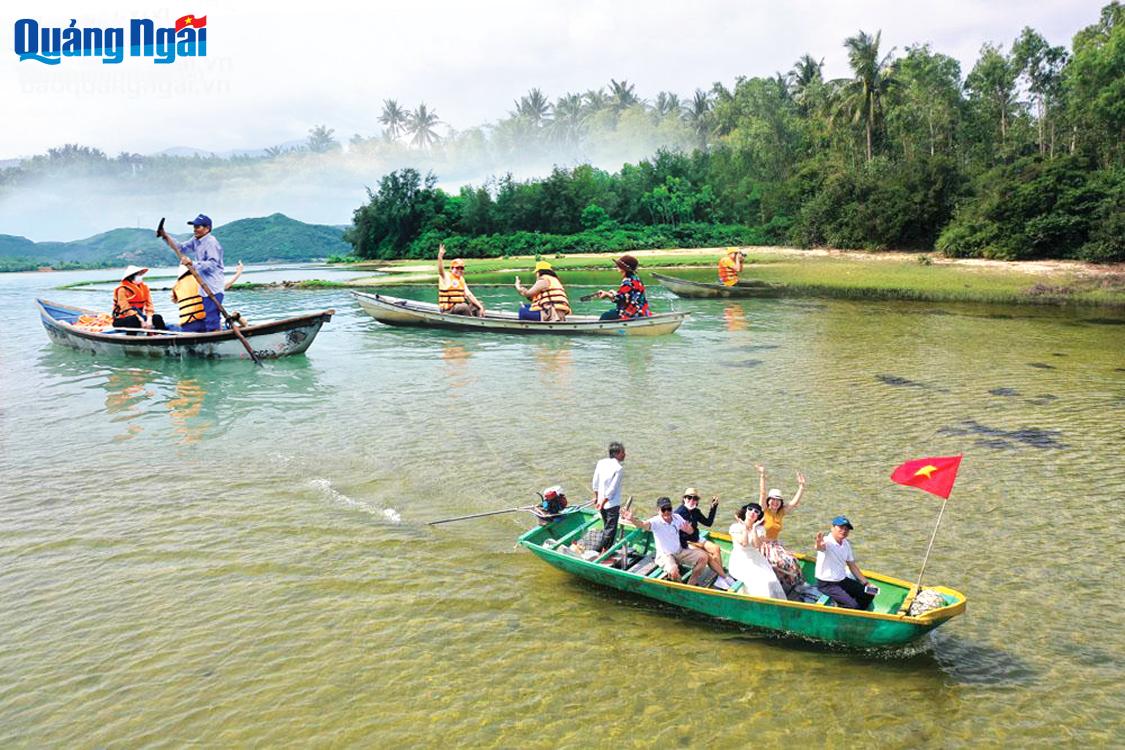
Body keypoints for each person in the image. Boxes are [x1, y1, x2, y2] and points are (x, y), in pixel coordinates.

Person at [159, 214, 225, 331]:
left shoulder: (211, 242)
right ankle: (212, 338)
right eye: (194, 226)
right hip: (204, 288)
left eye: (198, 227)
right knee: (210, 317)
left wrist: (192, 264)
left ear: (207, 228)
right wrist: (166, 237)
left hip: (213, 287)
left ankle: (215, 342)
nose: (195, 229)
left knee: (212, 318)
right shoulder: (196, 240)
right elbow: (181, 248)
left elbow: (212, 265)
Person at [622, 497, 709, 585]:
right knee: (673, 571)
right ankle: (680, 586)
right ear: (658, 510)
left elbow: (691, 531)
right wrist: (632, 519)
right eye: (663, 509)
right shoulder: (655, 521)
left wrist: (689, 530)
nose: (666, 512)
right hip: (665, 555)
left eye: (669, 509)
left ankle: (691, 584)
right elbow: (643, 525)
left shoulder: (677, 518)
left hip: (679, 551)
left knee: (703, 556)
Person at [754, 465, 806, 593]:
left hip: (775, 545)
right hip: (763, 545)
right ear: (769, 501)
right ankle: (781, 584)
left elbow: (793, 503)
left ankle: (796, 585)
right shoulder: (763, 510)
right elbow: (762, 493)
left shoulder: (780, 512)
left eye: (778, 501)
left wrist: (801, 486)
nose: (775, 503)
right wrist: (762, 475)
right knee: (780, 562)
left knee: (793, 561)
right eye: (773, 500)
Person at [675, 489, 735, 590]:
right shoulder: (678, 514)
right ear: (684, 499)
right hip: (685, 542)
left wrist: (713, 507)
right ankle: (723, 576)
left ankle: (720, 578)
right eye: (689, 498)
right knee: (707, 556)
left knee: (716, 548)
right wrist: (698, 545)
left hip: (696, 538)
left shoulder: (695, 511)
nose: (692, 500)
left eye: (695, 498)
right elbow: (677, 535)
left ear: (697, 501)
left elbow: (708, 523)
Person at [814, 515, 876, 610]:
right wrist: (818, 543)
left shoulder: (845, 543)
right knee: (853, 606)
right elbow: (820, 548)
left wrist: (866, 583)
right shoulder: (826, 541)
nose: (844, 531)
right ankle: (849, 609)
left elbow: (852, 565)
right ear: (832, 528)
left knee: (870, 593)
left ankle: (858, 612)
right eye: (841, 527)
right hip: (827, 584)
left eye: (847, 529)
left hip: (842, 580)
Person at [727, 503, 786, 599]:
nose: (752, 512)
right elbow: (744, 543)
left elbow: (757, 545)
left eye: (756, 511)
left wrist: (753, 528)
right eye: (750, 509)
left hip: (756, 559)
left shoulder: (760, 529)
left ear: (759, 517)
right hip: (740, 560)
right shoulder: (735, 527)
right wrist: (745, 528)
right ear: (745, 511)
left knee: (771, 580)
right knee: (759, 582)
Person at [590, 441, 626, 553]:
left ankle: (605, 549)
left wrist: (597, 498)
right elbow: (612, 489)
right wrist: (604, 501)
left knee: (607, 526)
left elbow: (595, 482)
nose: (625, 455)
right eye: (623, 452)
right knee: (611, 529)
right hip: (611, 503)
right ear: (617, 453)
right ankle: (599, 550)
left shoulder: (601, 462)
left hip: (601, 501)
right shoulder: (618, 468)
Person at [593, 255, 651, 321]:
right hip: (642, 311)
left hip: (632, 313)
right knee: (611, 313)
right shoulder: (636, 278)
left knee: (605, 316)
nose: (617, 268)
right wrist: (613, 293)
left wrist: (607, 294)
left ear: (623, 268)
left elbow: (621, 298)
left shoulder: (627, 281)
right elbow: (628, 295)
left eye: (618, 266)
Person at [112, 265, 167, 331]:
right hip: (122, 319)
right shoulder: (122, 289)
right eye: (138, 275)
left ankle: (161, 336)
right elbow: (125, 308)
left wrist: (149, 319)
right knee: (133, 320)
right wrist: (140, 319)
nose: (140, 277)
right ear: (131, 277)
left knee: (157, 318)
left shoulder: (144, 288)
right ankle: (131, 339)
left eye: (141, 275)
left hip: (139, 317)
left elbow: (149, 305)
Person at [437, 242, 484, 317]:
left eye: (461, 268)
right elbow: (440, 270)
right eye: (457, 268)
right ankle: (472, 322)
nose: (459, 270)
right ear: (452, 268)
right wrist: (440, 257)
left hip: (459, 308)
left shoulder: (461, 279)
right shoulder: (446, 277)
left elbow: (469, 294)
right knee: (463, 306)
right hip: (448, 310)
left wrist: (480, 307)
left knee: (478, 304)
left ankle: (481, 320)